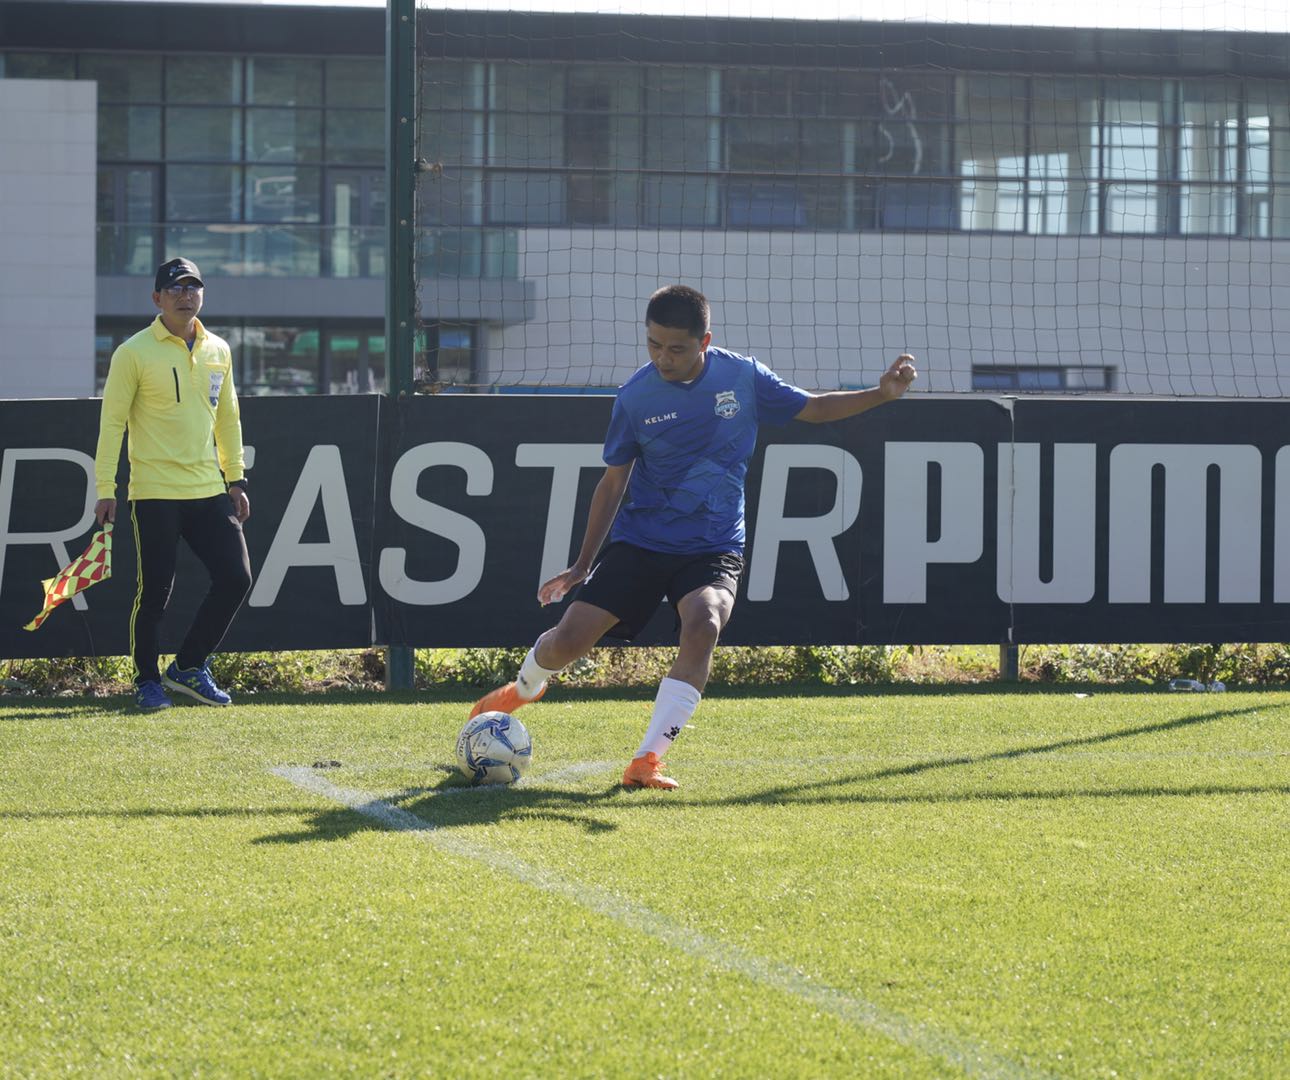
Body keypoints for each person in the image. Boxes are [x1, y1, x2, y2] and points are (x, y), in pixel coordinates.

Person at [470, 284, 916, 789]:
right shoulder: (635, 396)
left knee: (704, 624)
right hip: (641, 542)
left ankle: (647, 761)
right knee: (566, 643)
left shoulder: (743, 377)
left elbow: (813, 408)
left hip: (713, 545)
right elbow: (613, 480)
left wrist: (881, 394)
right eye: (653, 345)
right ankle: (521, 689)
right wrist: (581, 565)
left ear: (706, 341)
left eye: (676, 348)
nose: (663, 358)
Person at [93, 257, 253, 711]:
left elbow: (228, 416)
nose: (186, 296)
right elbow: (112, 424)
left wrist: (235, 478)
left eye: (193, 287)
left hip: (208, 489)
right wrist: (106, 486)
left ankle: (187, 667)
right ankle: (147, 680)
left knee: (236, 577)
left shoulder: (218, 349)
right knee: (156, 589)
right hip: (154, 492)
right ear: (157, 298)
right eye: (176, 289)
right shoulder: (133, 352)